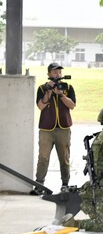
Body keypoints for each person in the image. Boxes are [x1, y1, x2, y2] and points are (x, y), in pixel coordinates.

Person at [31, 63, 76, 195]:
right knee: (43, 157)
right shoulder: (42, 88)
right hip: (46, 129)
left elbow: (72, 105)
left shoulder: (67, 87)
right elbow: (41, 106)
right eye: (55, 72)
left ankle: (65, 184)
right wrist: (49, 92)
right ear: (49, 74)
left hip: (64, 128)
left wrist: (61, 94)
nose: (58, 75)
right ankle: (39, 185)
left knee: (64, 157)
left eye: (59, 72)